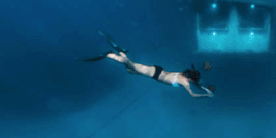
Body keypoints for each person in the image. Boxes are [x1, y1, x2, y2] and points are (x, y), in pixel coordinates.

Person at [84, 31, 214, 98]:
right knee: (131, 65)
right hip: (153, 73)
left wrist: (204, 88)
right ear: (191, 79)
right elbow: (193, 95)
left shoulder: (184, 75)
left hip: (156, 71)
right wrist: (207, 95)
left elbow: (197, 83)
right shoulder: (185, 83)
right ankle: (110, 55)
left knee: (130, 70)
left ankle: (122, 52)